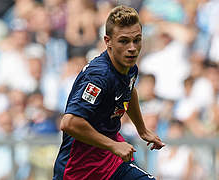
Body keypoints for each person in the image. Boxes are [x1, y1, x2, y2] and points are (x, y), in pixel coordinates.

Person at [53, 5, 165, 180]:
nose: (132, 48)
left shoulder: (129, 68)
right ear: (108, 41)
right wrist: (113, 145)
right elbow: (70, 123)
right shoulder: (98, 77)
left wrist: (142, 130)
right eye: (124, 41)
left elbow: (129, 90)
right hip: (79, 170)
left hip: (111, 162)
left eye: (137, 40)